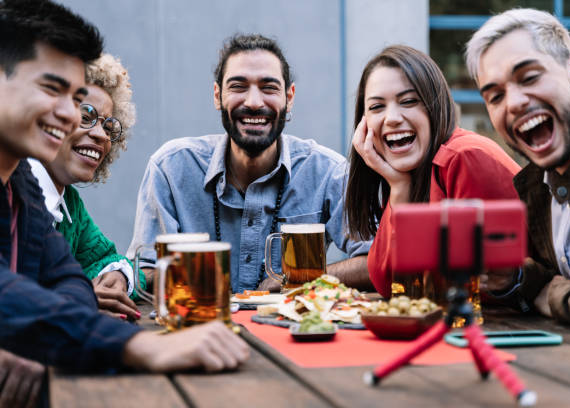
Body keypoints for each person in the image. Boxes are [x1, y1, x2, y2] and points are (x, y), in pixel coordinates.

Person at [0, 2, 248, 406]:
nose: (66, 114)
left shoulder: (22, 186)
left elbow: (67, 278)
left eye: (75, 97)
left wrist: (37, 336)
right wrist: (141, 347)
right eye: (51, 89)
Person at [127, 34, 371, 293]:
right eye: (238, 87)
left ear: (289, 98)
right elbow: (144, 268)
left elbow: (374, 263)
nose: (254, 102)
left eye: (269, 88)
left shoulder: (327, 172)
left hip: (289, 329)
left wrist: (301, 276)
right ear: (217, 95)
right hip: (199, 326)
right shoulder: (171, 168)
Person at [465, 8, 570, 337]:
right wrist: (514, 278)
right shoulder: (535, 182)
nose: (514, 103)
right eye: (496, 96)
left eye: (529, 77)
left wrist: (547, 292)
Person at [344, 45, 521, 299]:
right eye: (376, 107)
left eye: (408, 101)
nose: (392, 118)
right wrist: (399, 187)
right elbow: (391, 284)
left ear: (434, 106)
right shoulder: (407, 176)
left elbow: (466, 283)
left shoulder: (466, 157)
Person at [29, 53, 143, 321]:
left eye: (109, 125)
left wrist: (117, 277)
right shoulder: (12, 192)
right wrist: (79, 298)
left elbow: (108, 258)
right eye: (86, 115)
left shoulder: (69, 204)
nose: (101, 135)